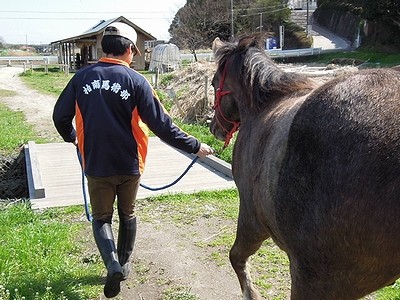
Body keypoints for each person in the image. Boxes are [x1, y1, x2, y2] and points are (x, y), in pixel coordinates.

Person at [52, 22, 214, 298]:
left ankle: (112, 263)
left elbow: (59, 116)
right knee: (128, 213)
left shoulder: (81, 78)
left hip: (95, 162)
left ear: (104, 47)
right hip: (130, 163)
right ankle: (124, 265)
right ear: (129, 49)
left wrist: (73, 138)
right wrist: (195, 145)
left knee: (102, 217)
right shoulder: (138, 82)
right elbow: (163, 126)